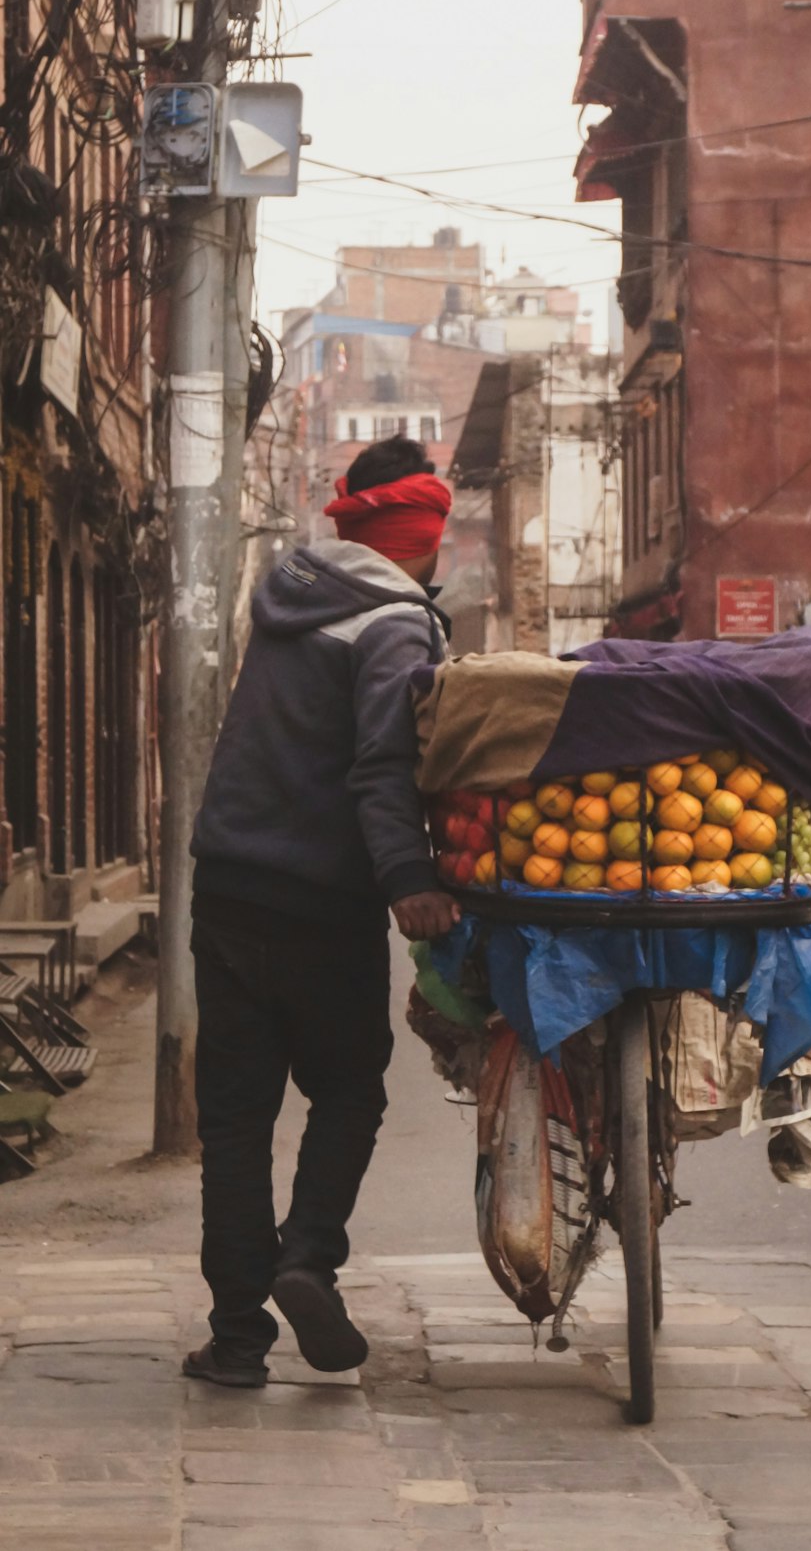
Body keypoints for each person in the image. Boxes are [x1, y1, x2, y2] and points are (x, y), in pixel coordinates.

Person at [183, 436, 461, 1389]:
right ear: (424, 538)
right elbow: (382, 767)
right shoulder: (393, 623)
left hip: (222, 885)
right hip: (319, 901)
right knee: (348, 1089)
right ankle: (307, 1257)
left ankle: (235, 1341)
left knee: (234, 1122)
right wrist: (411, 881)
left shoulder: (294, 589)